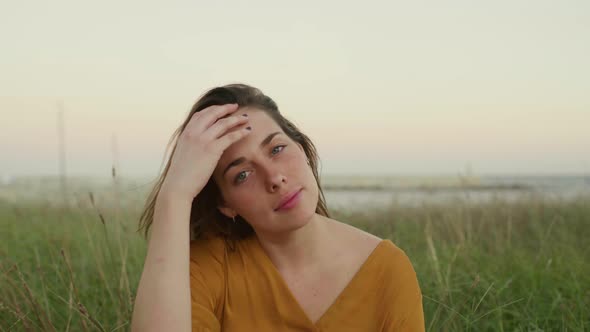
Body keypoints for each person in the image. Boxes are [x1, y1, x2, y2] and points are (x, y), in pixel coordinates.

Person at [130, 84, 425, 331]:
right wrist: (175, 195)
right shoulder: (211, 268)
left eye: (277, 149)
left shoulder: (387, 270)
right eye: (241, 175)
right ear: (225, 204)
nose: (274, 178)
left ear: (302, 148)